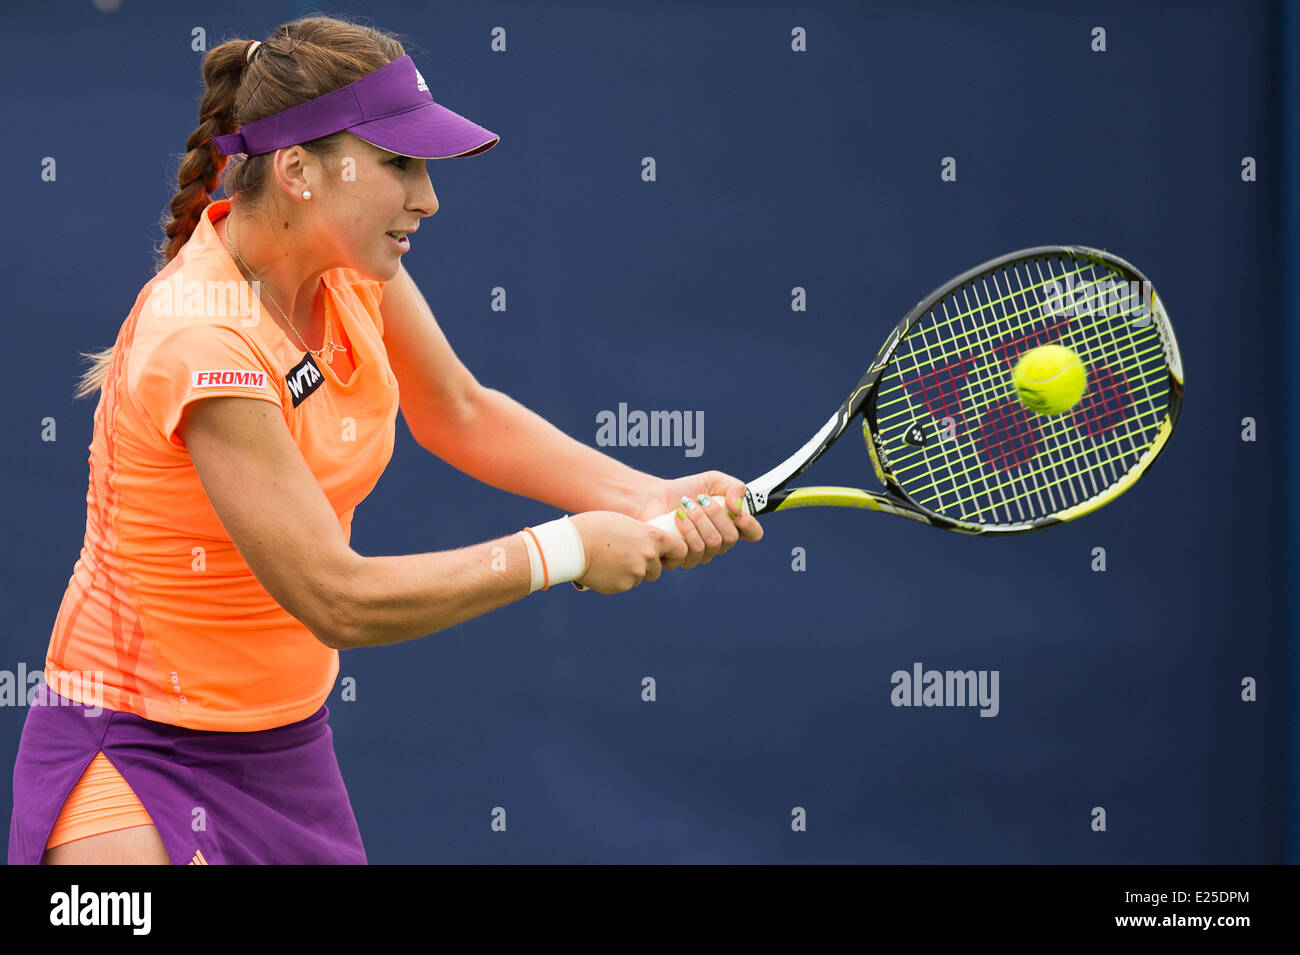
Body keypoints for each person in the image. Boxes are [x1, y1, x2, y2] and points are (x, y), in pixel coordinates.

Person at [8, 15, 761, 866]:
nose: (428, 197)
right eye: (400, 164)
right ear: (296, 170)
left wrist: (640, 497)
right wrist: (566, 550)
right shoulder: (202, 338)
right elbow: (336, 597)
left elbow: (459, 410)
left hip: (285, 749)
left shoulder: (351, 267)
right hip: (132, 752)